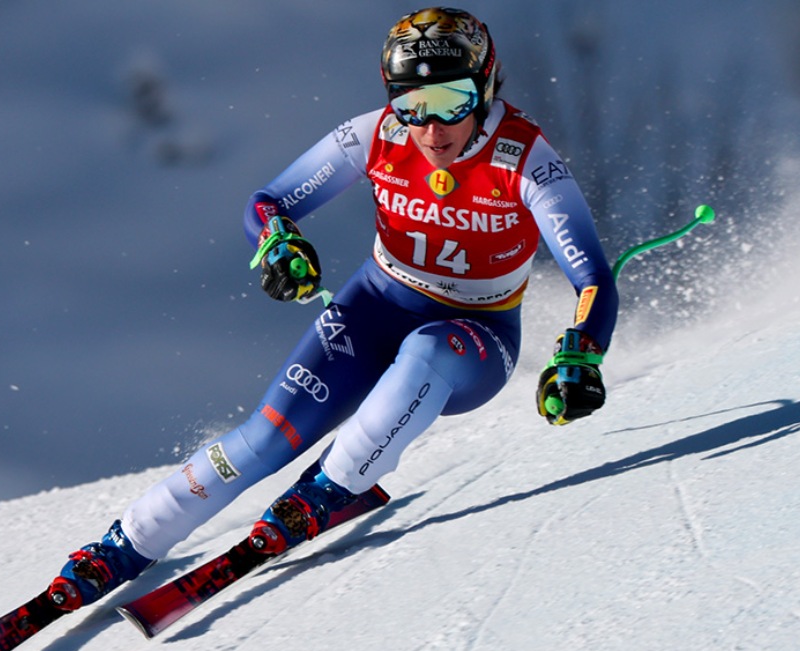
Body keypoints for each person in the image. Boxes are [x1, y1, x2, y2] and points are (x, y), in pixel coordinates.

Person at [45, 6, 619, 612]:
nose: (430, 127)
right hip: (373, 307)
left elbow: (592, 278)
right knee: (265, 438)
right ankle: (126, 542)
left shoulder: (523, 158)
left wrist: (581, 351)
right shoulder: (375, 135)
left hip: (475, 337)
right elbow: (268, 201)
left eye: (450, 99)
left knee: (424, 353)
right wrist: (276, 240)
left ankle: (330, 489)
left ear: (485, 85)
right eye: (410, 102)